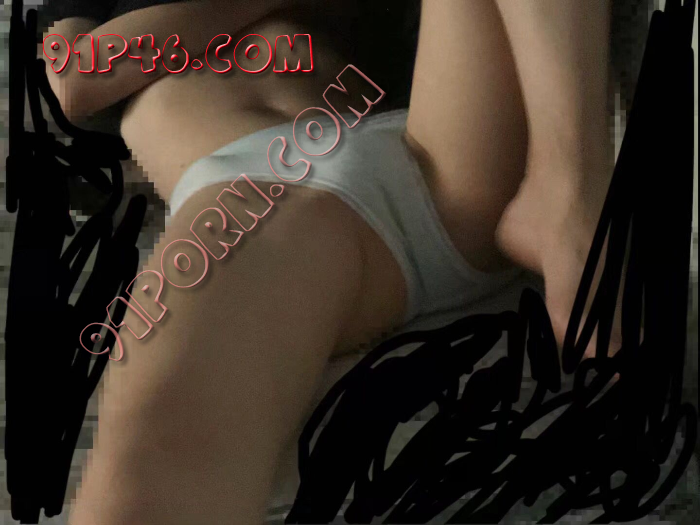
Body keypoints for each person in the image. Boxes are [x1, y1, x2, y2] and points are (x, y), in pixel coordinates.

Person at [42, 0, 616, 523]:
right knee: (151, 469)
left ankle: (570, 194)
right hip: (257, 194)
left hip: (432, 155)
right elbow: (76, 77)